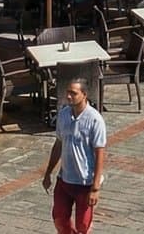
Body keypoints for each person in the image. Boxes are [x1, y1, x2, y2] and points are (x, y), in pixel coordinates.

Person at [41, 77, 107, 234]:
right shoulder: (63, 115)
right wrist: (48, 172)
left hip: (85, 183)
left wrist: (95, 187)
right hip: (64, 180)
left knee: (83, 226)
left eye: (73, 93)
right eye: (67, 92)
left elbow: (100, 153)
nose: (69, 96)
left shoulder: (95, 120)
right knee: (59, 219)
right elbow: (58, 144)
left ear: (84, 94)